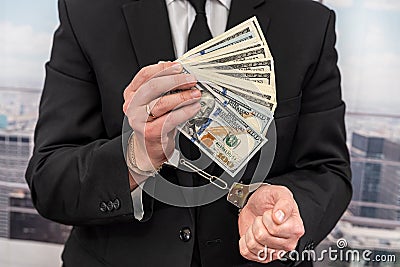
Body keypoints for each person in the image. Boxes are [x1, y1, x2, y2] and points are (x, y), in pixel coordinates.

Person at [26, 0, 352, 266]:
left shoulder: (307, 22)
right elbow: (51, 180)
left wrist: (287, 208)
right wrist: (139, 154)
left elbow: (327, 170)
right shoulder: (88, 11)